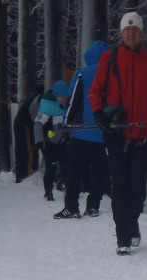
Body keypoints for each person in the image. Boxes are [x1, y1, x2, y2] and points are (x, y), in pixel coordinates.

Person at [88, 11, 147, 255]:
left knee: (137, 189)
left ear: (141, 32)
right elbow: (95, 91)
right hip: (115, 133)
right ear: (121, 32)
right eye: (127, 29)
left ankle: (131, 223)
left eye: (135, 29)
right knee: (120, 184)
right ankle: (123, 238)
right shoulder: (109, 58)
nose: (131, 33)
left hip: (141, 135)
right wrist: (98, 113)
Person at [54, 40, 111, 219]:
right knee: (100, 171)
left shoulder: (82, 73)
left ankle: (71, 207)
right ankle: (93, 206)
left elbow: (73, 100)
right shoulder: (112, 73)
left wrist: (66, 122)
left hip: (81, 131)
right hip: (103, 132)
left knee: (74, 170)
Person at [34, 80, 71, 201]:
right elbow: (38, 125)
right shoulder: (47, 107)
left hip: (63, 142)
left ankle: (68, 189)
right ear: (55, 95)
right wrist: (39, 141)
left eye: (66, 97)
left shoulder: (66, 106)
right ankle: (48, 191)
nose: (64, 99)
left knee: (66, 166)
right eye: (62, 97)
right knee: (51, 167)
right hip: (50, 142)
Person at [13, 87, 42, 183]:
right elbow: (35, 118)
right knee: (27, 150)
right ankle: (25, 177)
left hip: (29, 124)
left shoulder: (39, 97)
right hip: (25, 124)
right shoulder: (40, 99)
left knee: (32, 148)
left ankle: (30, 174)